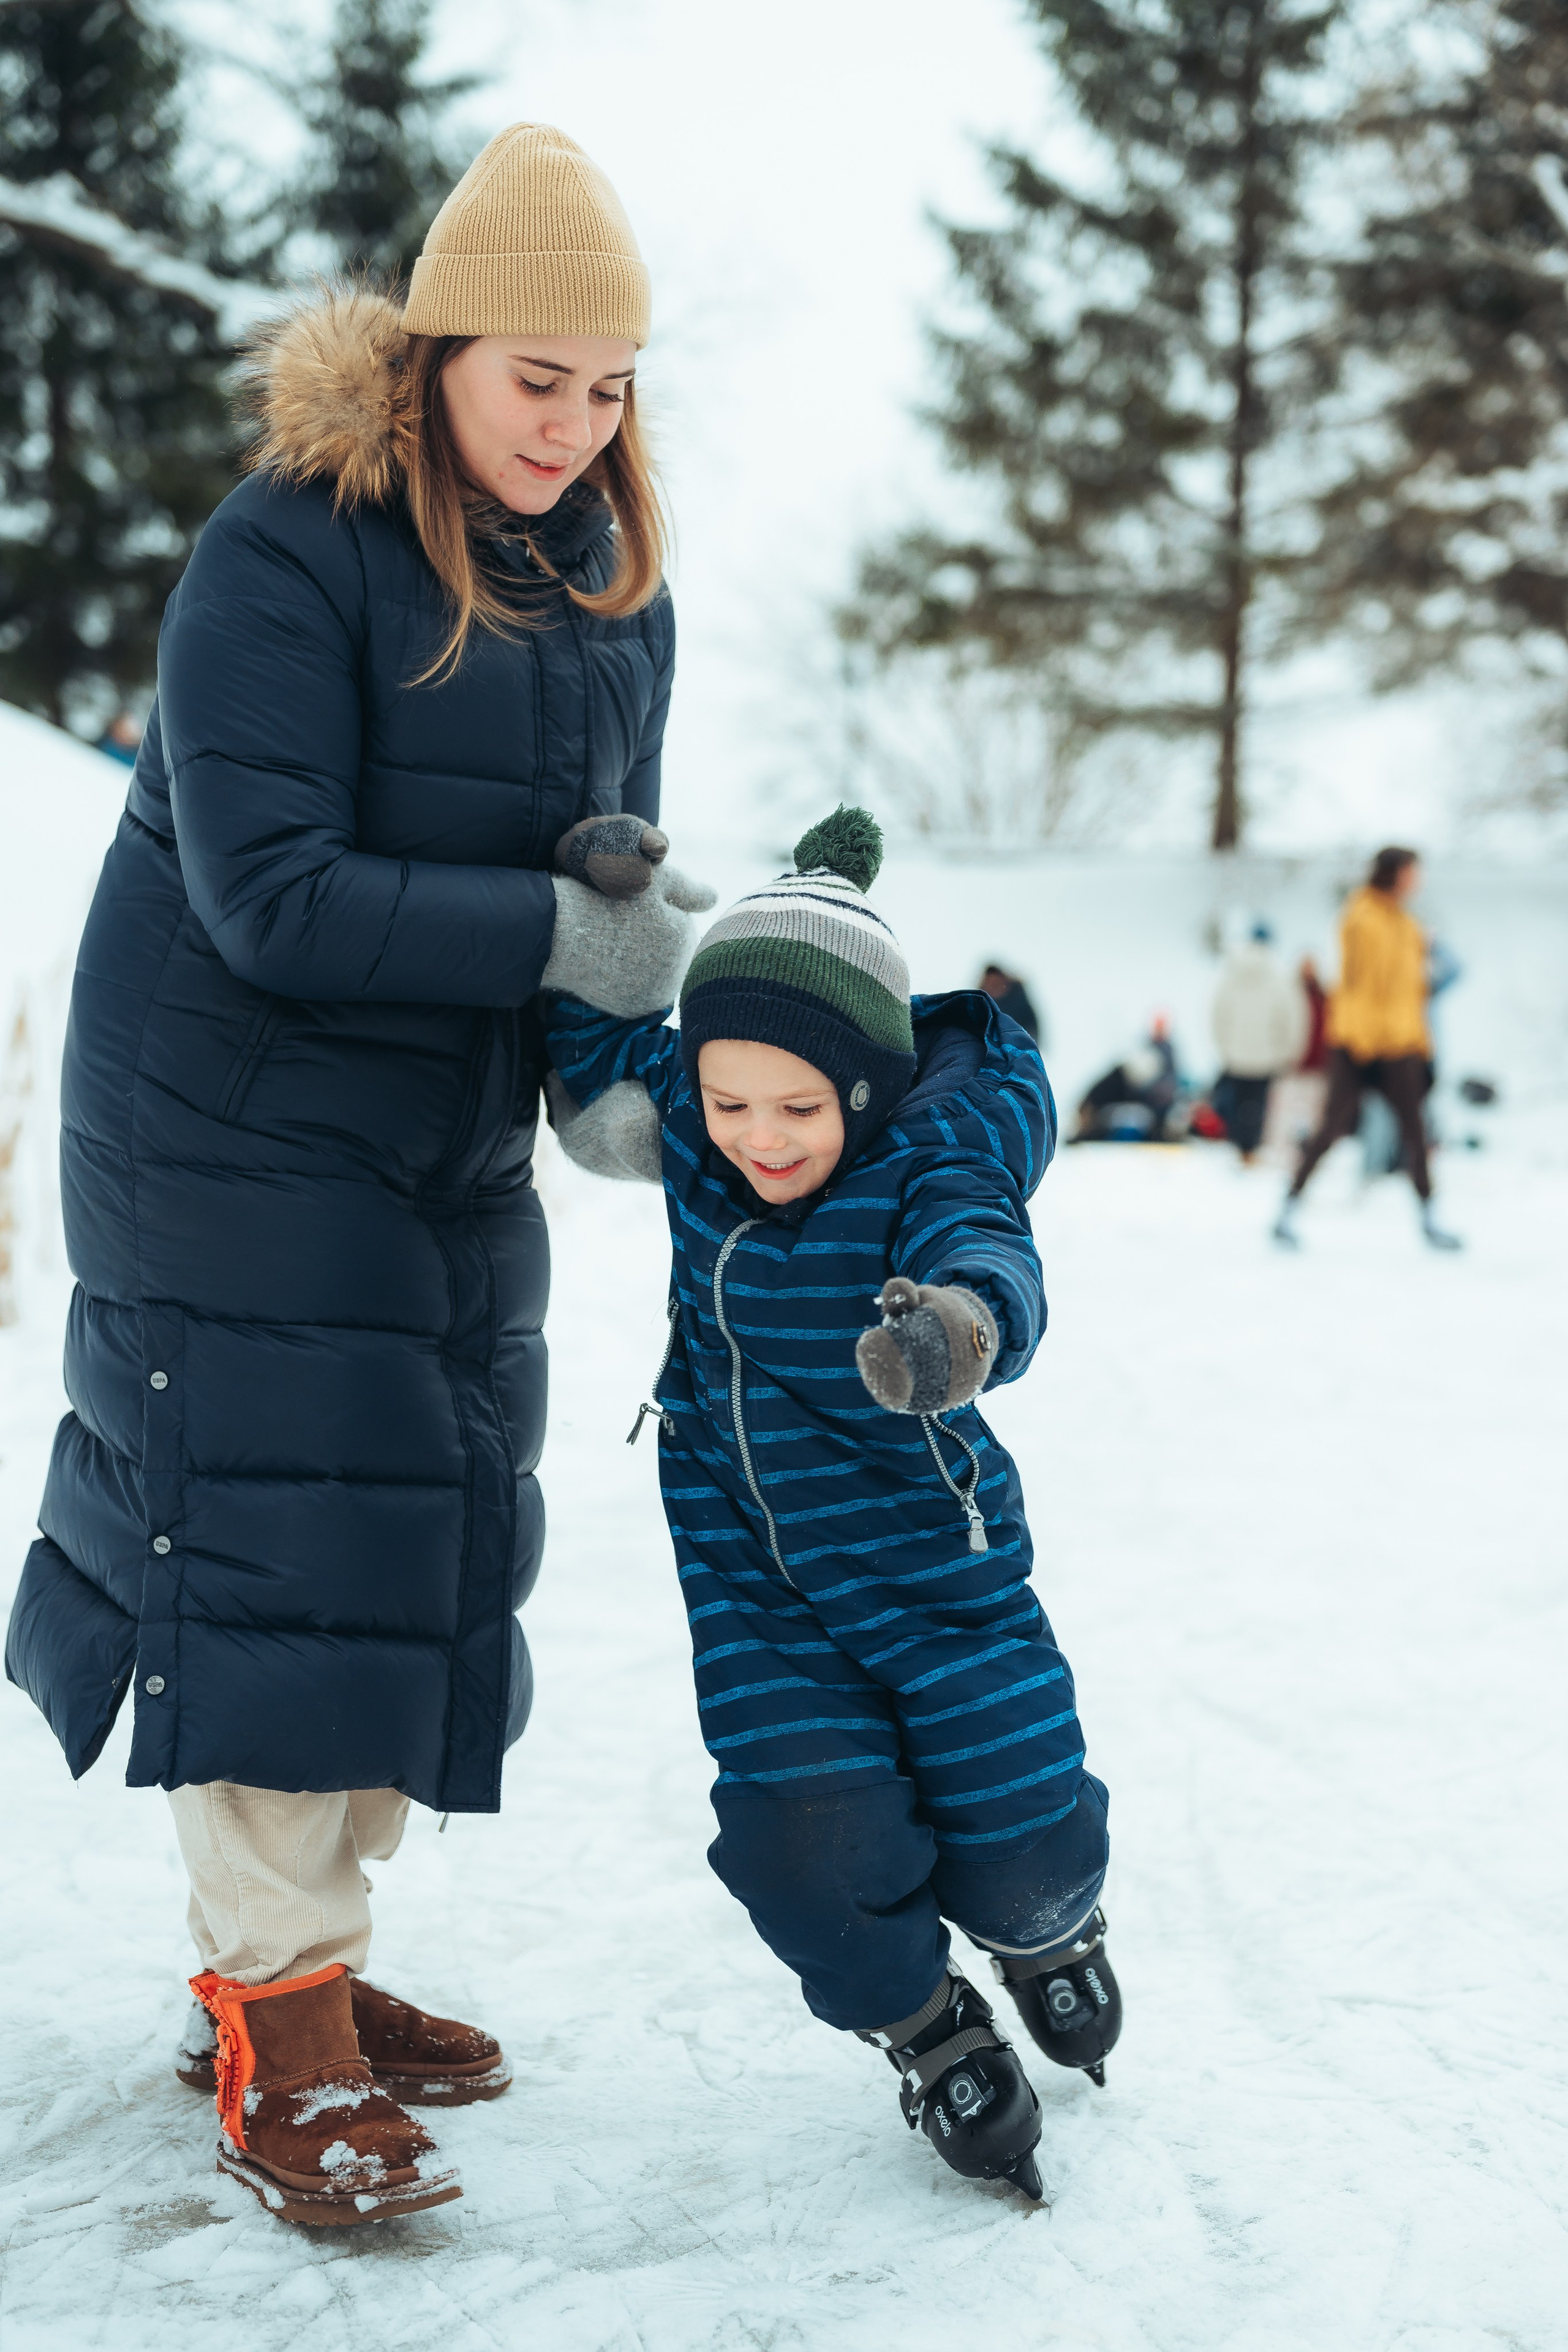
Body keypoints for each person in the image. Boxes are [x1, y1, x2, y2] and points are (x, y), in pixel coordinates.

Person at [3, 122, 713, 2228]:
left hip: (422, 1129)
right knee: (280, 1535)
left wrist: (605, 1058)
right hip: (220, 1123)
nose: (574, 428)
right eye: (536, 380)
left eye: (609, 389)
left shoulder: (606, 593)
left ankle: (301, 1964)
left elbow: (599, 875)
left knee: (414, 1534)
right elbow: (276, 897)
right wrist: (555, 949)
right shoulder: (286, 548)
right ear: (435, 356)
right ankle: (275, 2013)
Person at [541, 808, 1120, 2206]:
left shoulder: (930, 1153)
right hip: (750, 1570)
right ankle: (924, 2028)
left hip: (929, 1559)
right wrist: (609, 918)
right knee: (802, 1831)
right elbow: (588, 1069)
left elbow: (987, 1245)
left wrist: (958, 1327)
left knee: (1018, 1817)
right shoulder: (697, 1114)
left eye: (796, 1108)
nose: (756, 1139)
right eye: (727, 1102)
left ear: (862, 1085)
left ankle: (1042, 1928)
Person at [1274, 848, 1460, 1250]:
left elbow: (1413, 993)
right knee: (1331, 1128)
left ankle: (1430, 1219)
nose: (1419, 880)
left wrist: (1421, 1047)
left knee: (1415, 1130)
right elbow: (1358, 987)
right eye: (1414, 872)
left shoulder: (1408, 925)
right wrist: (1363, 1042)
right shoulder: (1361, 918)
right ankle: (1287, 1208)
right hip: (1359, 1046)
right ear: (1396, 874)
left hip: (1401, 1044)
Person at [1210, 921, 1308, 1162]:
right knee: (1259, 1104)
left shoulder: (1231, 973)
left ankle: (1240, 1149)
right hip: (1268, 1055)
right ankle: (1252, 1149)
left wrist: (1224, 1048)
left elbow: (1217, 1014)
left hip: (1235, 1054)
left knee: (1238, 1102)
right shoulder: (1279, 976)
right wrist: (1290, 1051)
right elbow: (1294, 1017)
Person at [979, 961, 1041, 1041]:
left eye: (996, 983)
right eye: (991, 984)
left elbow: (1031, 1024)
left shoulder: (1018, 998)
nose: (994, 987)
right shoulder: (981, 1002)